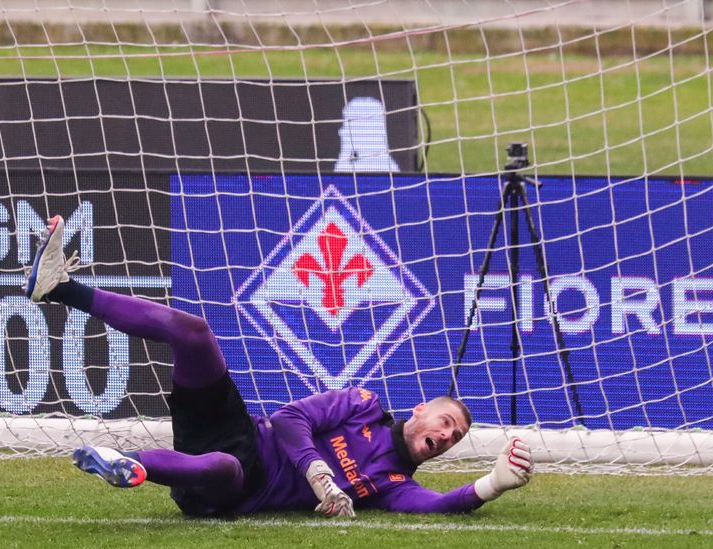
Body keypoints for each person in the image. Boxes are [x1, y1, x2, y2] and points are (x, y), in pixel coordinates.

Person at [26, 215, 533, 517]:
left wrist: (492, 484)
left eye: (455, 438)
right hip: (240, 430)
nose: (447, 435)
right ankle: (61, 287)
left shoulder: (391, 484)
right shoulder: (362, 404)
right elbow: (291, 418)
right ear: (420, 410)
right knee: (194, 333)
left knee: (222, 466)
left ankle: (126, 462)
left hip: (235, 486)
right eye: (446, 422)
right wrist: (317, 471)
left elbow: (439, 505)